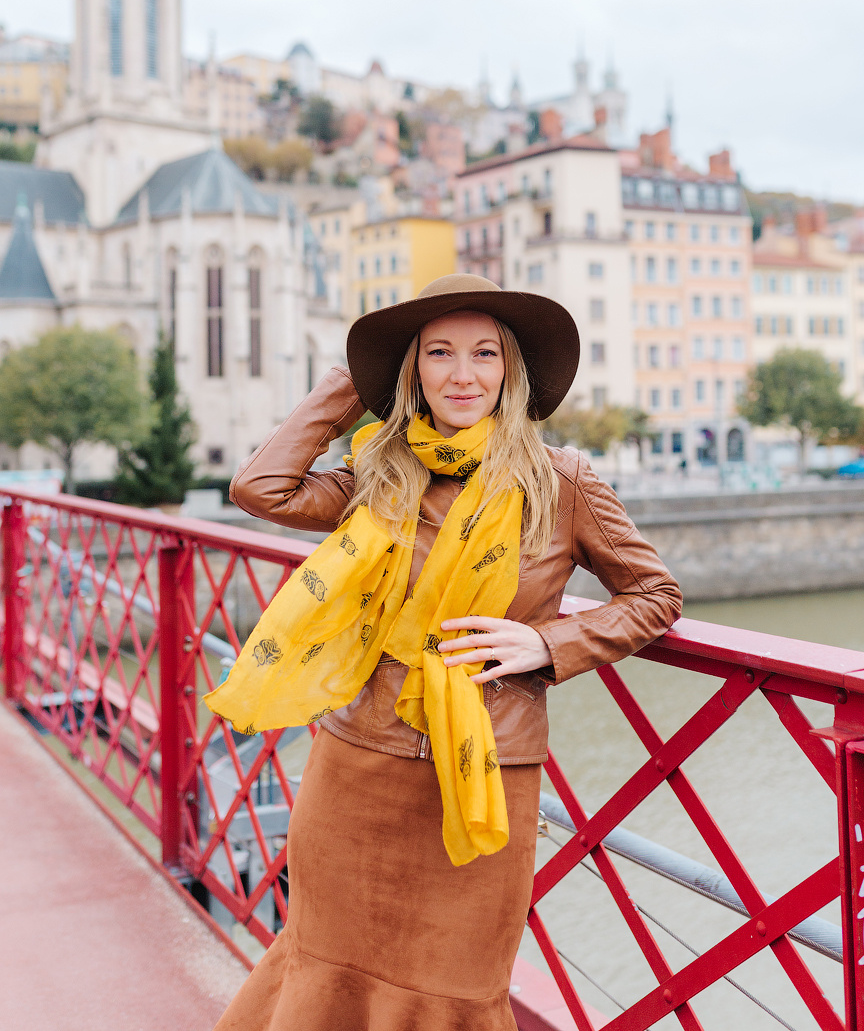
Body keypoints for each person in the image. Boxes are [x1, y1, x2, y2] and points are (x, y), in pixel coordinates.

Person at [207, 274, 682, 1031]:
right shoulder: (379, 473)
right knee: (324, 966)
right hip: (356, 767)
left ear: (510, 370)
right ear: (414, 371)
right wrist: (351, 386)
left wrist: (549, 642)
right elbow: (263, 488)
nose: (463, 374)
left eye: (485, 353)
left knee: (458, 990)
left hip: (485, 773)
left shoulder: (561, 481)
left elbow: (655, 596)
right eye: (439, 353)